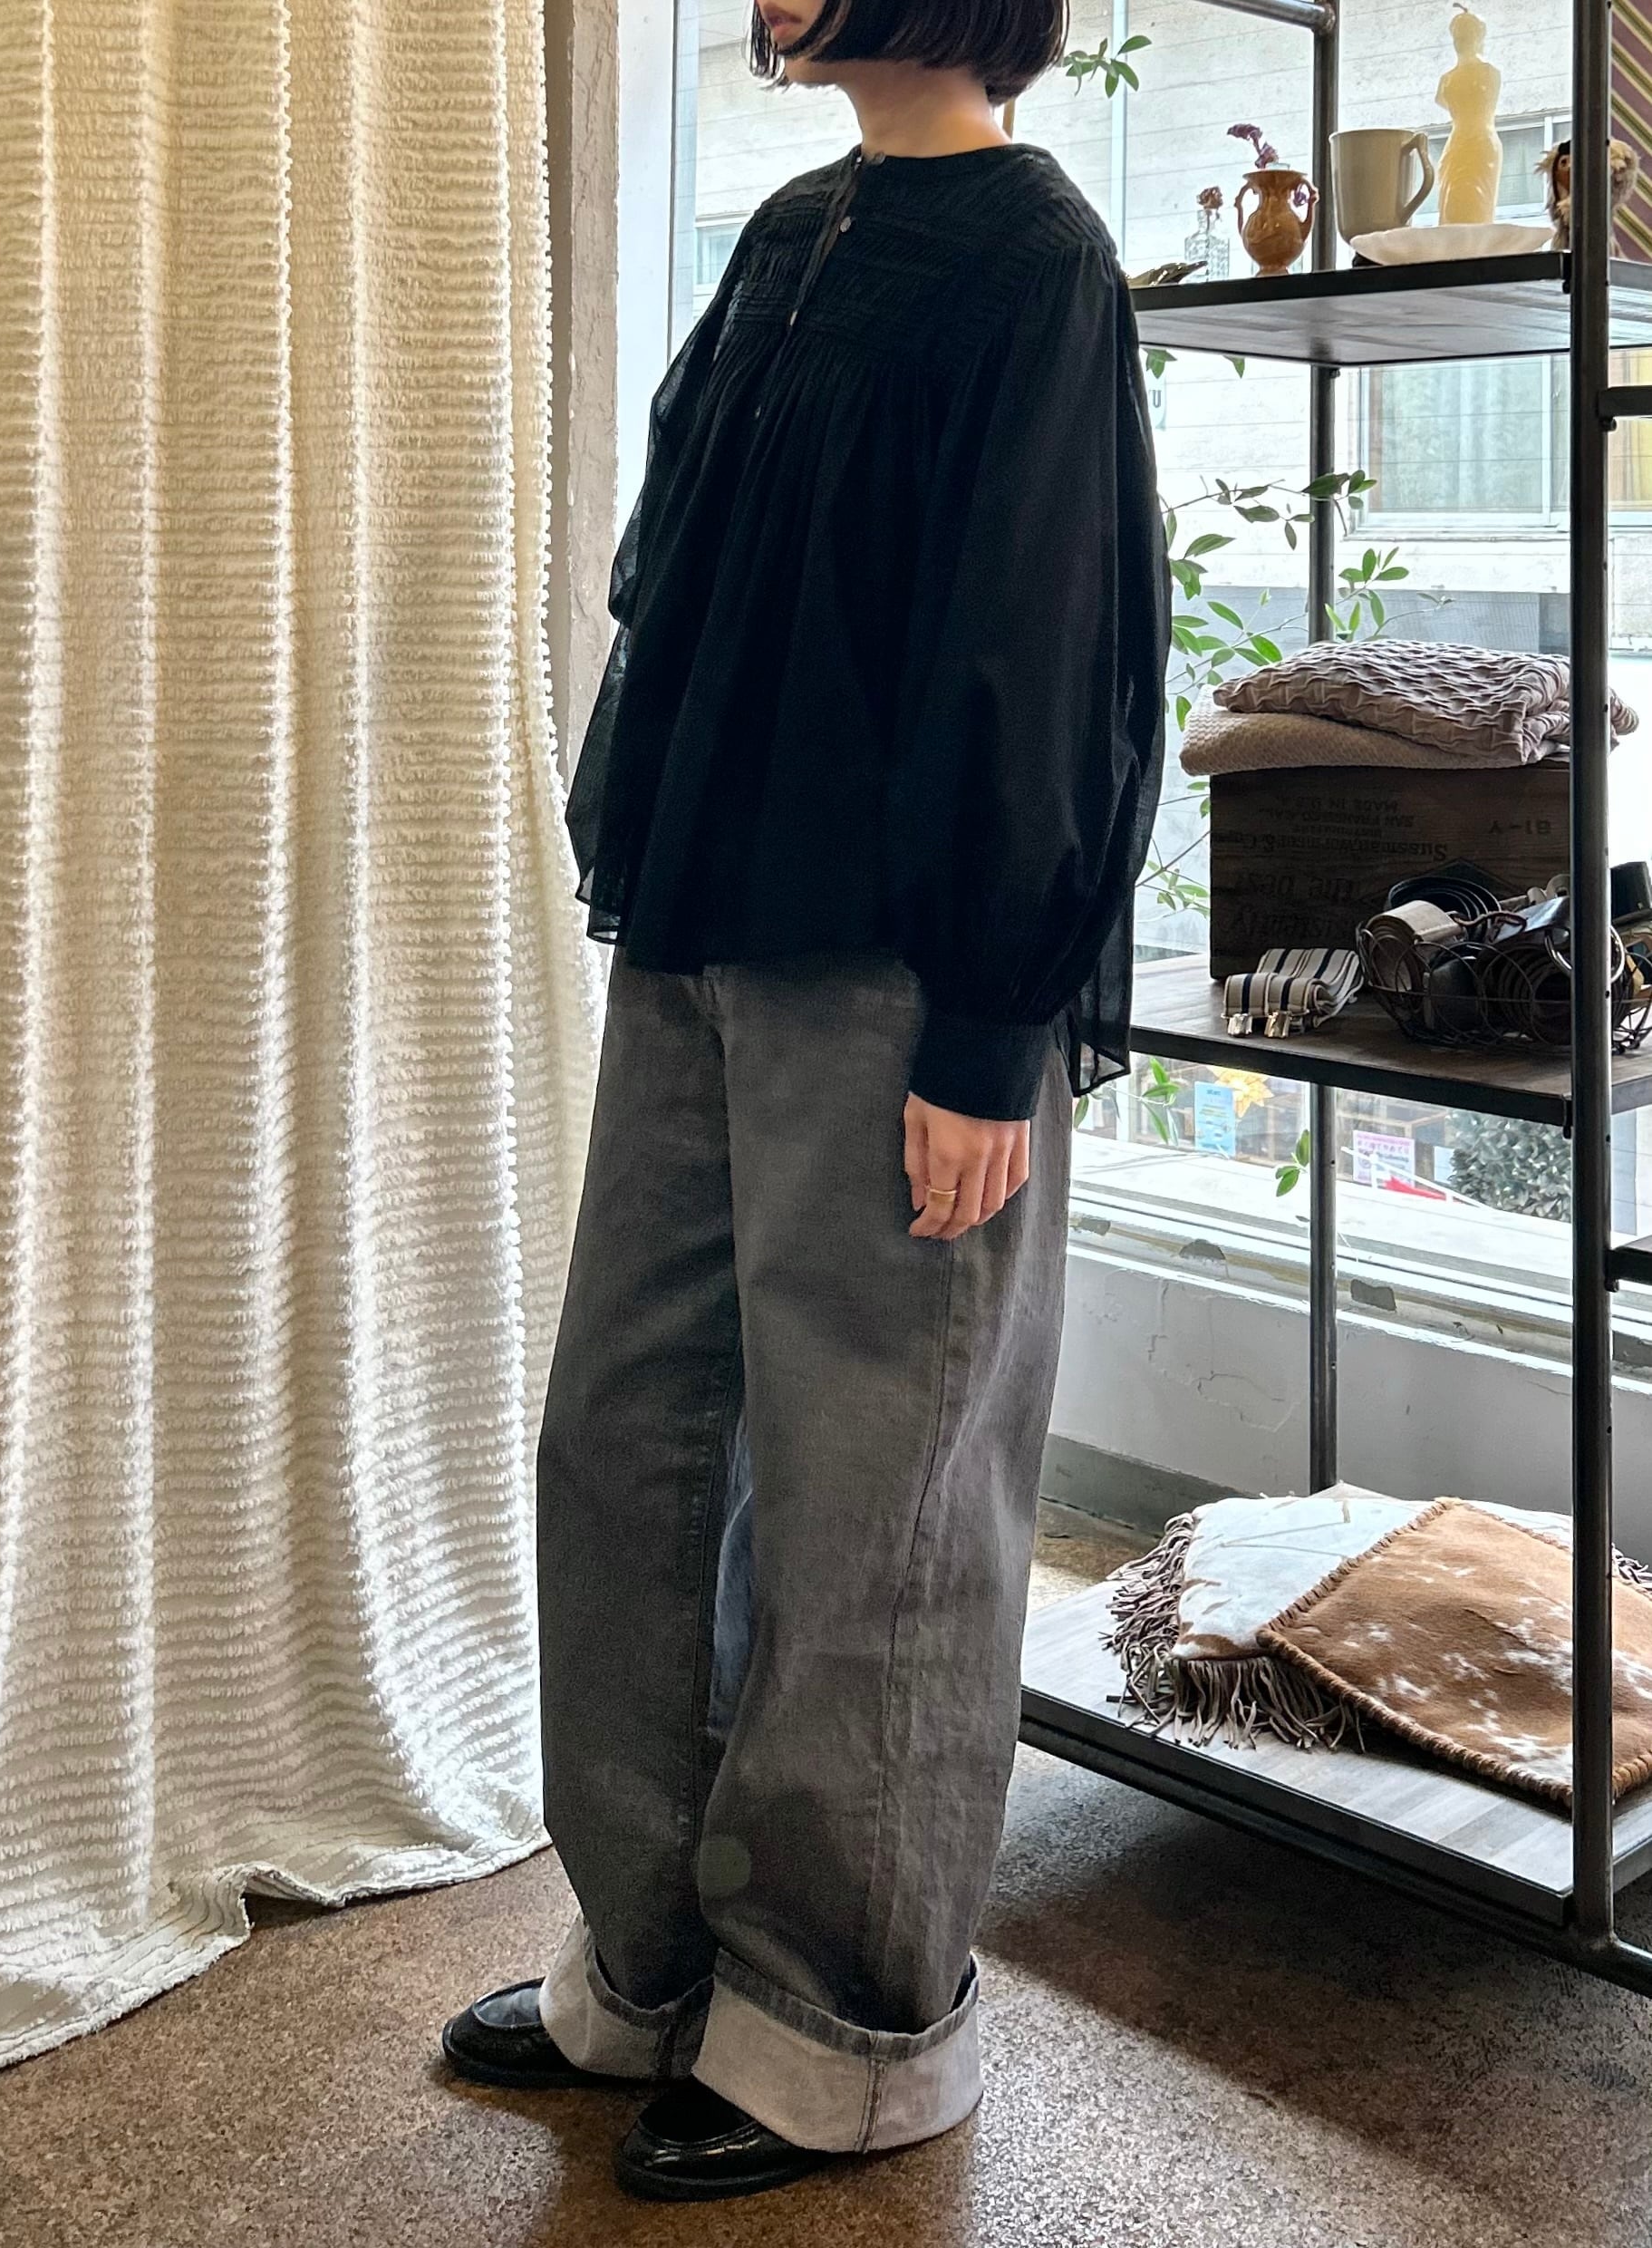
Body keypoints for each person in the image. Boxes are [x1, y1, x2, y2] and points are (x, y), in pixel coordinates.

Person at [441, 0, 1167, 2203]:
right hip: (702, 931)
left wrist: (990, 1035)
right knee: (631, 1434)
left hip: (900, 969)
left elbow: (1055, 653)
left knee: (879, 1501)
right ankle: (652, 1962)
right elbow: (687, 584)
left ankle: (848, 2028)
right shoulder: (791, 234)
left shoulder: (1037, 263)